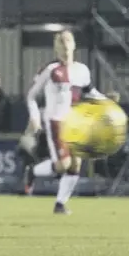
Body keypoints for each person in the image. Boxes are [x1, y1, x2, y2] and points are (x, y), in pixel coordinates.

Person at [24, 30, 106, 214]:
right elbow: (31, 96)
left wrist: (106, 101)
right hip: (55, 122)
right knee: (63, 165)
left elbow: (90, 92)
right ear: (56, 49)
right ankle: (33, 171)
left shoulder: (82, 70)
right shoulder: (50, 70)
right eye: (61, 49)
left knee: (76, 164)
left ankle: (60, 204)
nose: (65, 52)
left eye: (67, 48)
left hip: (74, 123)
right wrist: (35, 116)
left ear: (74, 47)